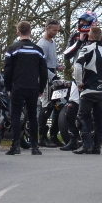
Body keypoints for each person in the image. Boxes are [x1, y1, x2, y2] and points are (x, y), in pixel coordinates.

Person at [3, 20, 48, 156]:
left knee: (15, 115)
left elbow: (7, 70)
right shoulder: (38, 50)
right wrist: (41, 88)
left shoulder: (12, 49)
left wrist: (8, 86)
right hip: (33, 87)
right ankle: (35, 147)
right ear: (30, 31)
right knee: (32, 116)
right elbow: (43, 72)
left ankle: (15, 146)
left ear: (18, 31)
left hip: (17, 86)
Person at [60, 11, 98, 151]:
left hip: (92, 79)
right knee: (70, 109)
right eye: (80, 21)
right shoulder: (76, 36)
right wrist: (80, 41)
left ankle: (91, 141)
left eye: (85, 22)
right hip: (78, 78)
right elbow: (67, 55)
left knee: (89, 112)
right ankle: (73, 139)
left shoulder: (98, 35)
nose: (81, 24)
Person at [73, 26, 102, 154]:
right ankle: (97, 147)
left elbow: (78, 66)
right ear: (101, 37)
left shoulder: (87, 48)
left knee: (82, 116)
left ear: (89, 36)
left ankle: (86, 145)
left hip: (88, 89)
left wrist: (79, 83)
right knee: (98, 118)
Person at [37, 19, 64, 148]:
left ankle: (53, 135)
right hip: (46, 78)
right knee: (46, 106)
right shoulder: (42, 45)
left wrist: (57, 66)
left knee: (58, 105)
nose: (56, 33)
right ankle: (41, 136)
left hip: (53, 75)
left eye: (57, 31)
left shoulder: (52, 43)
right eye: (54, 30)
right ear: (47, 28)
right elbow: (40, 65)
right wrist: (52, 76)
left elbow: (50, 61)